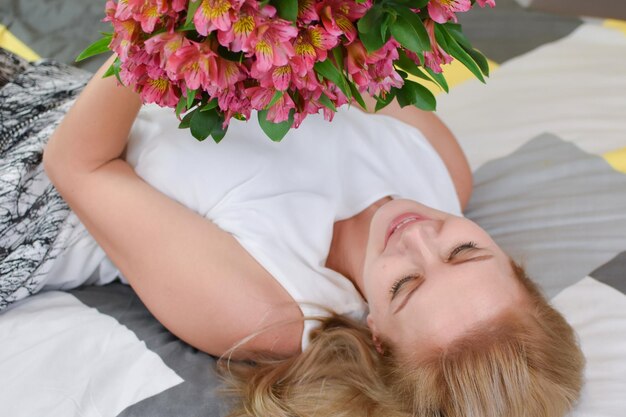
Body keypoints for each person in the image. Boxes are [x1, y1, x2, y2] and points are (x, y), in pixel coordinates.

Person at [0, 49, 584, 416]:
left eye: (406, 284)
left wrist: (159, 29)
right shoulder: (441, 163)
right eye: (463, 251)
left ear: (377, 334)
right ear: (509, 261)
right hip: (45, 86)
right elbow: (342, 53)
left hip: (24, 191)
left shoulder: (270, 307)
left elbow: (78, 165)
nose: (418, 236)